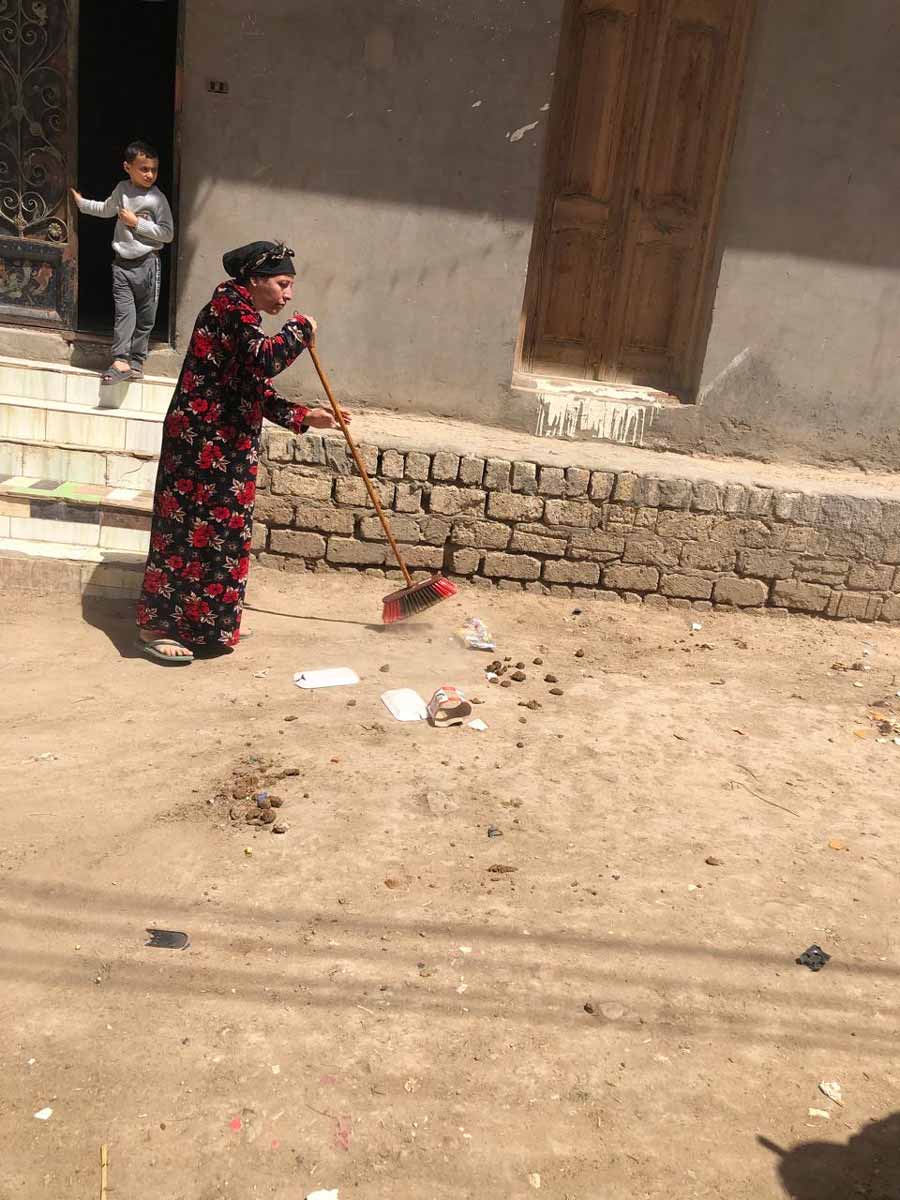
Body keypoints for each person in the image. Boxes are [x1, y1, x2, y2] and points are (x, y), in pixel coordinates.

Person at [136, 240, 348, 665]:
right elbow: (262, 360)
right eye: (283, 284)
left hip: (227, 445)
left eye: (291, 287)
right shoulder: (230, 308)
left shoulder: (242, 314)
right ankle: (157, 625)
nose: (288, 296)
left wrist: (307, 416)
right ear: (255, 280)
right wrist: (299, 330)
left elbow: (253, 386)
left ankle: (211, 623)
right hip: (199, 442)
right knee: (183, 532)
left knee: (223, 535)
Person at [71, 139, 174, 384]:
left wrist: (136, 223)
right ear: (128, 167)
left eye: (154, 170)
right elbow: (106, 209)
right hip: (121, 264)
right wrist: (82, 203)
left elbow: (168, 233)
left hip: (149, 264)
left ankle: (136, 363)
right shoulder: (121, 190)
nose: (150, 174)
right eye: (144, 169)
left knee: (146, 317)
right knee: (124, 313)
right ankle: (120, 360)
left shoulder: (157, 199)